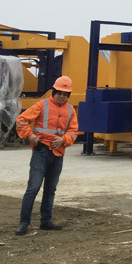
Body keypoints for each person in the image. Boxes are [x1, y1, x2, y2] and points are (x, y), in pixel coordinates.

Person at [14, 75, 78, 235]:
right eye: (60, 92)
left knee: (50, 189)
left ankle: (46, 221)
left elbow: (73, 132)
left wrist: (63, 140)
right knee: (34, 187)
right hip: (41, 152)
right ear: (54, 91)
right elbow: (21, 121)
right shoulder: (41, 105)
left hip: (57, 154)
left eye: (65, 94)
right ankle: (24, 223)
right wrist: (30, 136)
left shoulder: (70, 110)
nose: (62, 96)